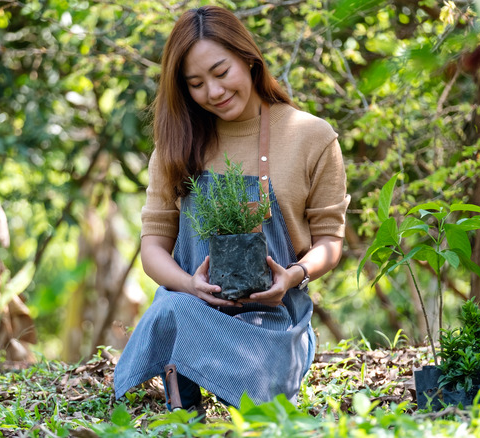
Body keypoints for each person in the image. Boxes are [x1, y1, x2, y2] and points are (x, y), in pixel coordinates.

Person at [113, 5, 350, 411]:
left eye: (221, 73)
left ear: (248, 58)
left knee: (264, 404)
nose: (214, 92)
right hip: (192, 314)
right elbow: (152, 248)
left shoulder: (311, 137)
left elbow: (329, 241)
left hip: (272, 326)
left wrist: (292, 276)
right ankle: (180, 389)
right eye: (196, 83)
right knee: (172, 307)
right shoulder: (176, 147)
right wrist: (190, 286)